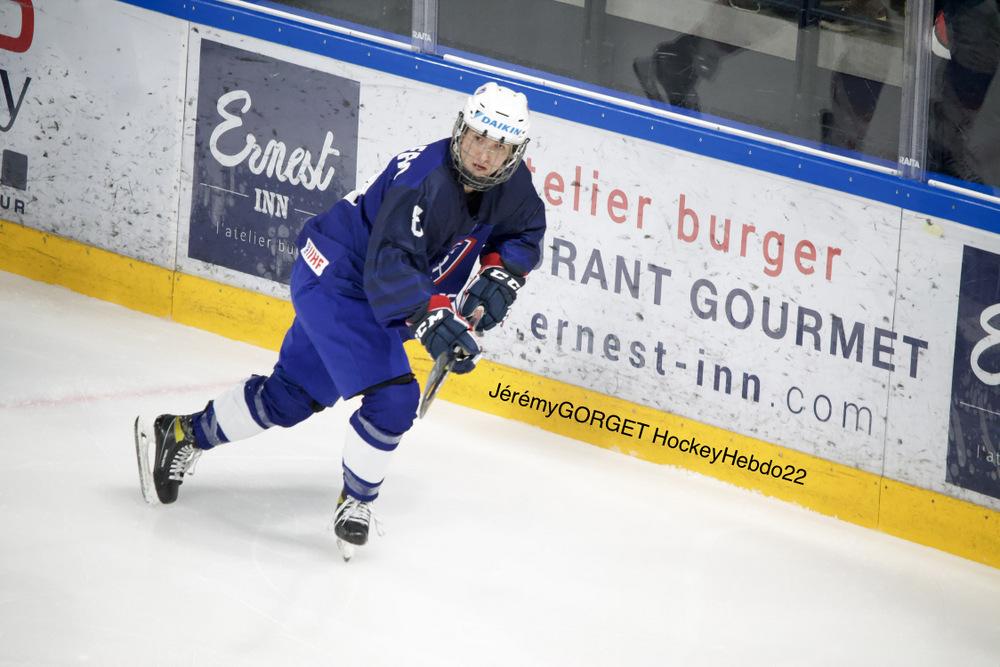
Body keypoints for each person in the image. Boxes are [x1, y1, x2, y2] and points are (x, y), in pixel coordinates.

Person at [133, 81, 547, 559]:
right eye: (477, 137)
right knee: (395, 398)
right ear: (461, 130)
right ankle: (356, 502)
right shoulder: (423, 180)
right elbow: (392, 264)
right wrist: (432, 314)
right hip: (338, 278)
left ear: (515, 153)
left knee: (291, 397)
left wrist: (501, 273)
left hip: (365, 286)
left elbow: (523, 230)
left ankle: (180, 434)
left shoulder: (512, 186)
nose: (483, 154)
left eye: (498, 147)